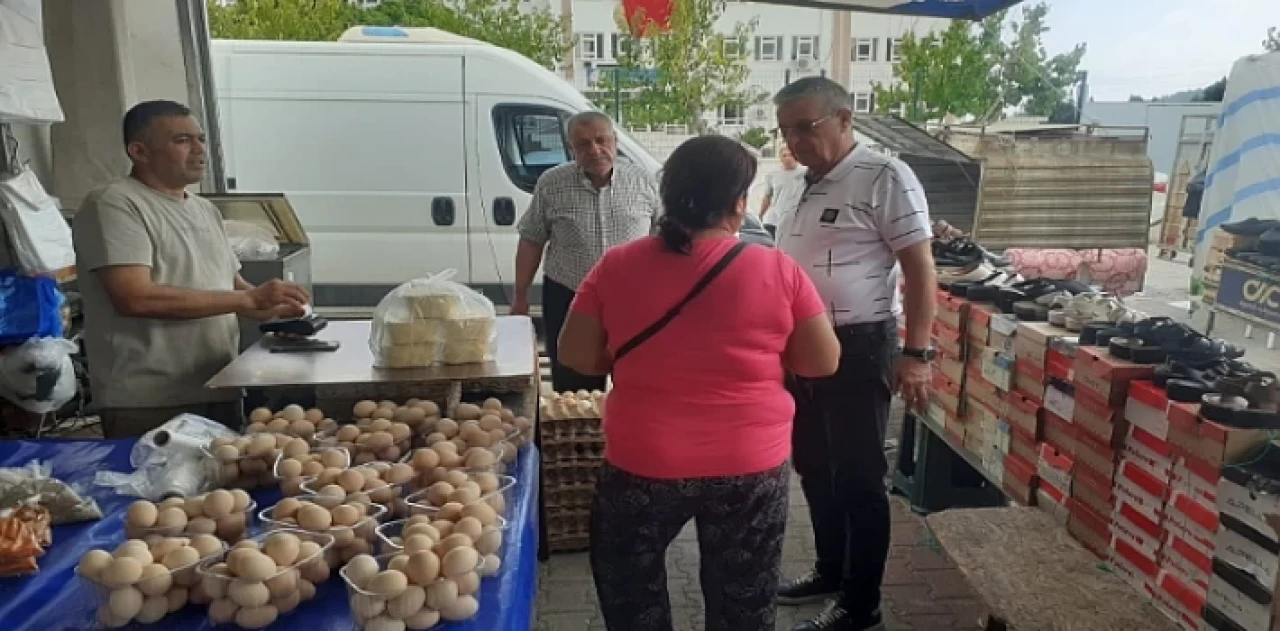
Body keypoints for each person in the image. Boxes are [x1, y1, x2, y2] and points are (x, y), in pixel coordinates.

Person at [558, 135, 841, 631]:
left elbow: (575, 355)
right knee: (743, 602)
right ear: (737, 202)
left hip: (643, 460)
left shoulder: (618, 265)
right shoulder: (776, 267)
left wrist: (635, 359)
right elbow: (822, 361)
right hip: (750, 465)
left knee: (631, 590)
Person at [771, 77, 938, 631]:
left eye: (805, 127)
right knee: (815, 468)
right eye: (786, 130)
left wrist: (916, 353)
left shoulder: (885, 176)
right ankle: (830, 570)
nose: (794, 140)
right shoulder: (799, 182)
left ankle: (861, 604)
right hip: (800, 348)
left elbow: (919, 269)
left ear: (845, 119)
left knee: (860, 478)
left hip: (859, 345)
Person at [73, 100, 309, 438]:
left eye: (201, 139)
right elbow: (134, 297)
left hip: (219, 385)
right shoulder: (114, 204)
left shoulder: (205, 210)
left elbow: (232, 287)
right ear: (139, 151)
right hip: (149, 399)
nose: (199, 150)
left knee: (223, 487)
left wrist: (275, 310)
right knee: (156, 489)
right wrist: (248, 301)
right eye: (182, 141)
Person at [511, 110, 661, 393]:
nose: (595, 150)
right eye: (583, 144)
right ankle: (576, 438)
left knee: (636, 381)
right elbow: (531, 240)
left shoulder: (645, 181)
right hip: (569, 296)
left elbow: (663, 239)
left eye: (601, 140)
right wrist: (520, 297)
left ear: (615, 141)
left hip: (632, 299)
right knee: (572, 389)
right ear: (570, 148)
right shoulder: (551, 184)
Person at [760, 145, 807, 237]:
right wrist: (760, 214)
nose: (788, 158)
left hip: (794, 221)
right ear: (780, 158)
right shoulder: (772, 174)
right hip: (774, 220)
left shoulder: (806, 173)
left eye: (790, 155)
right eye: (784, 156)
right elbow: (767, 196)